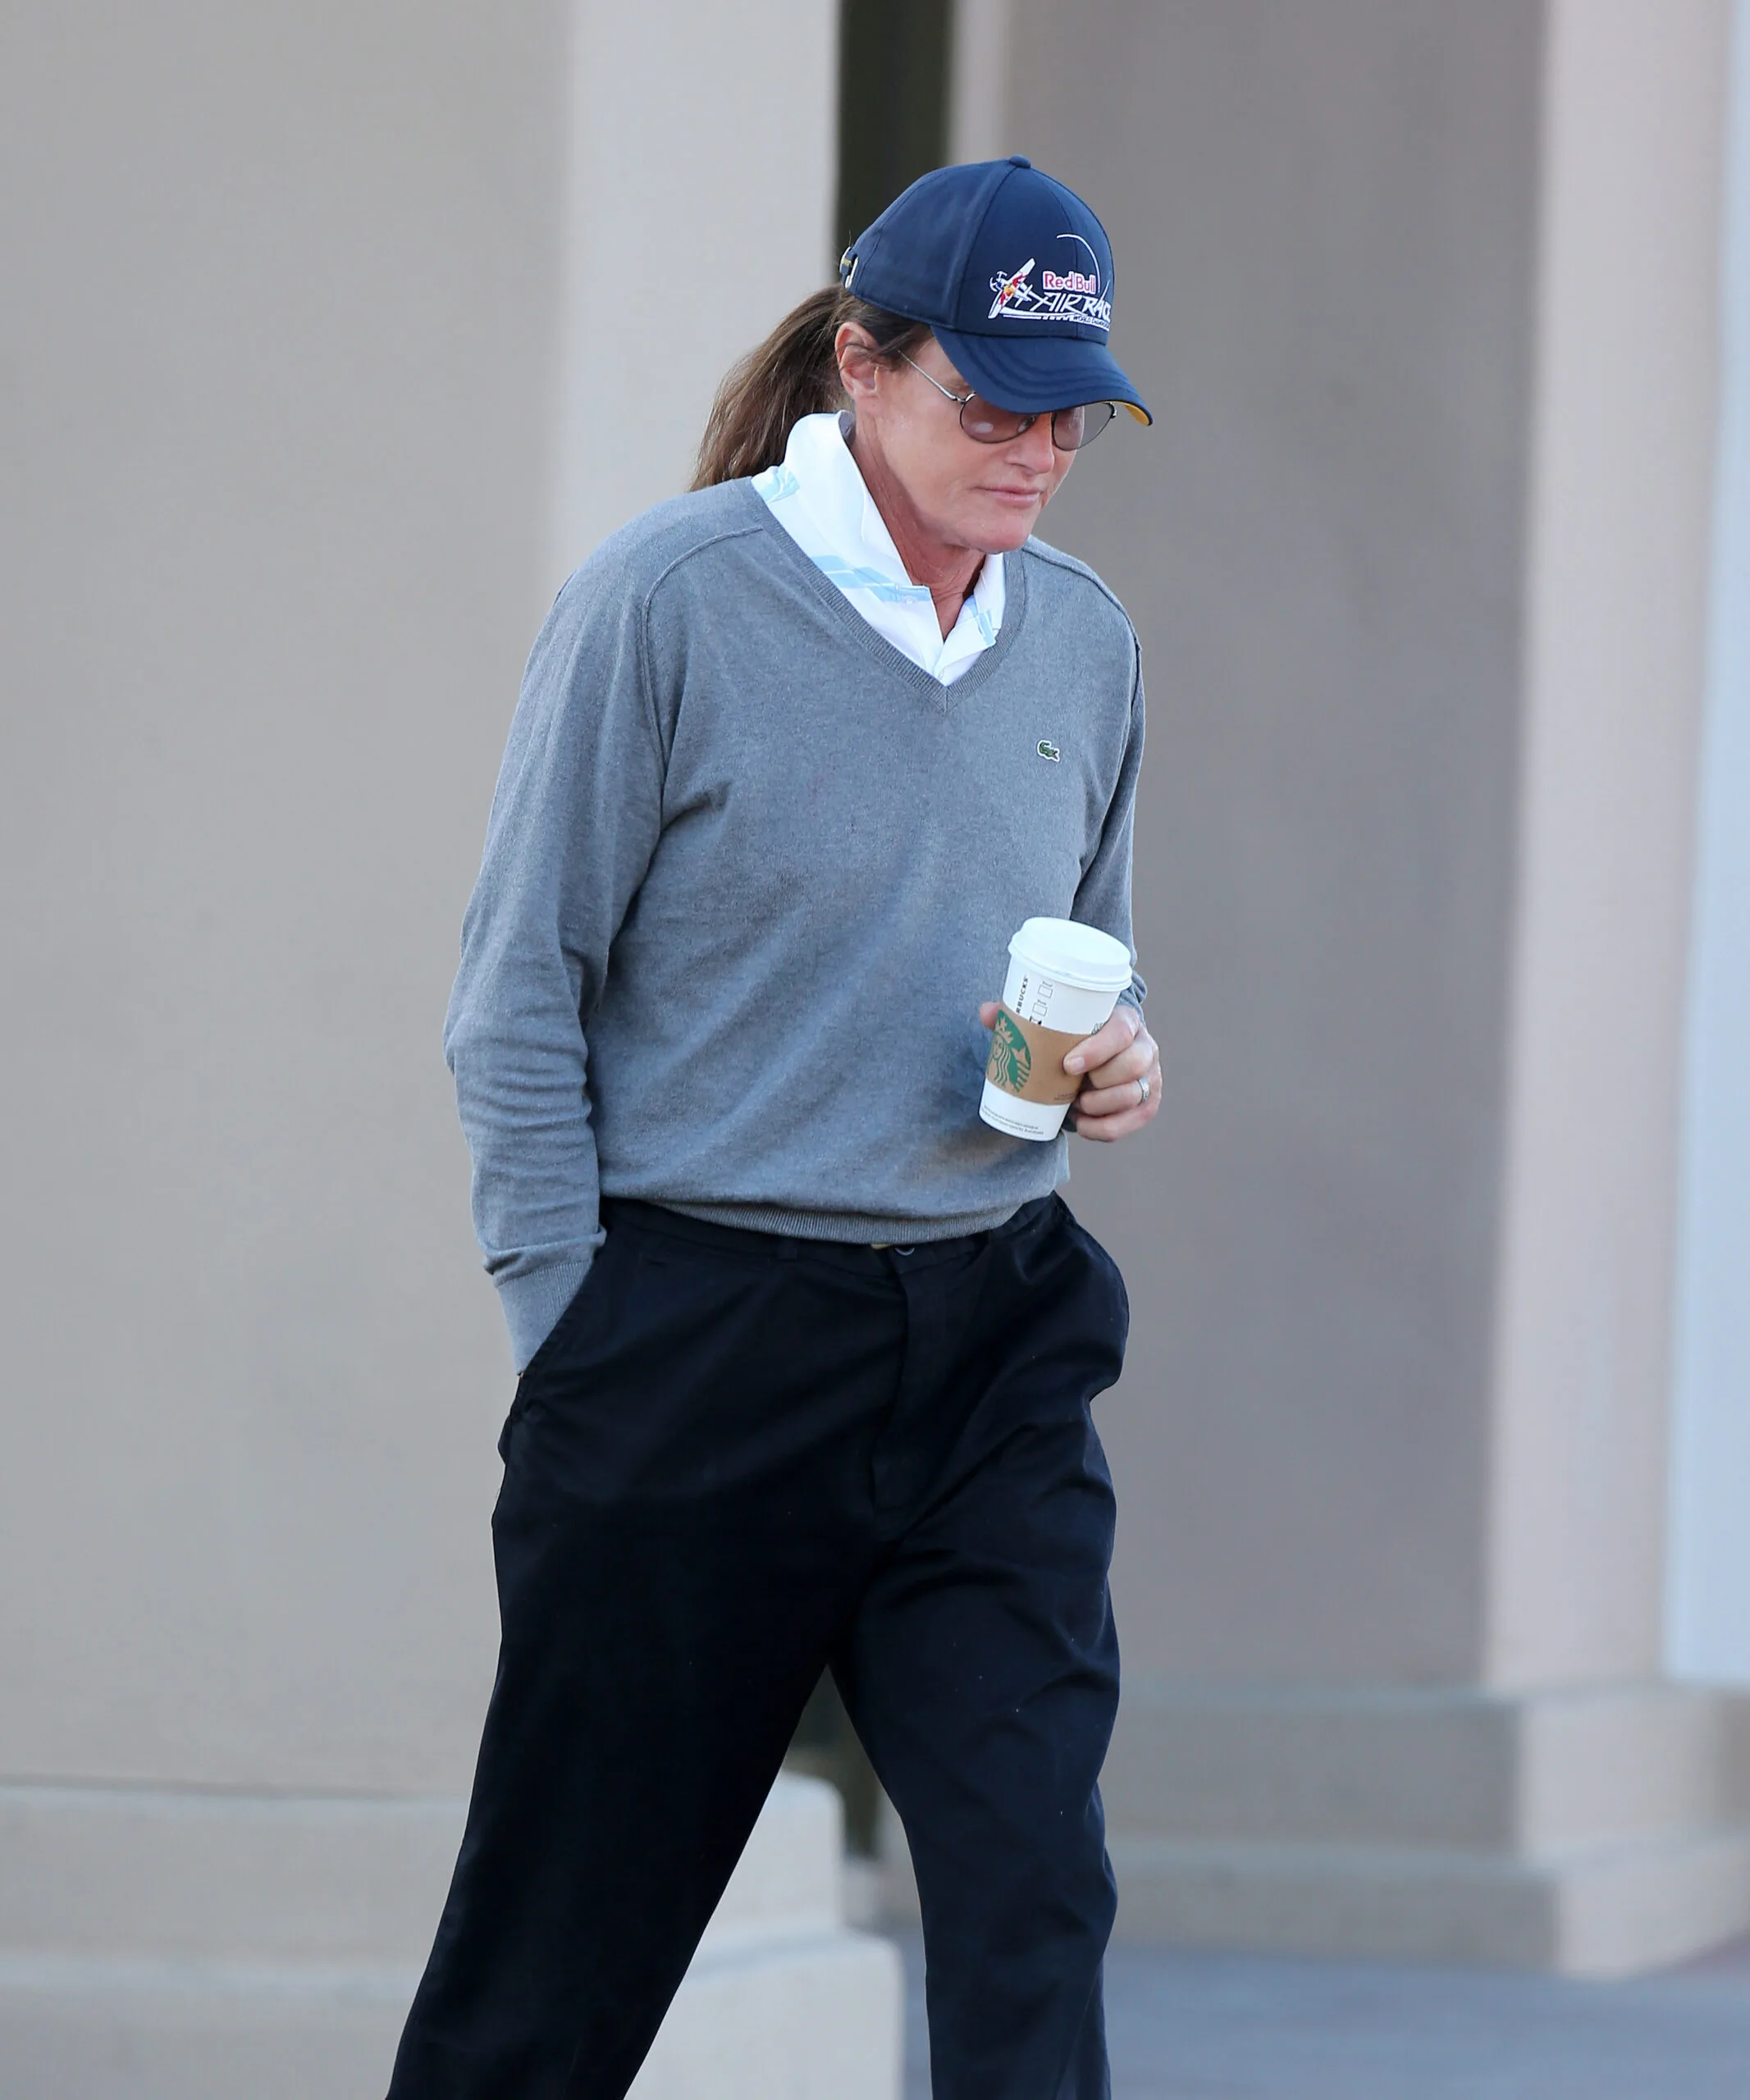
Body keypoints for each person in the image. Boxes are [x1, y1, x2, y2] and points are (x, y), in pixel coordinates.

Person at [387, 155, 1161, 2100]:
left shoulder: (1083, 641)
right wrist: (582, 1340)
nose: (1037, 450)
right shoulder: (668, 603)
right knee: (555, 1971)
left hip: (990, 1335)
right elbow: (514, 1000)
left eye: (1066, 410)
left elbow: (1085, 962)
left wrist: (1117, 1061)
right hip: (699, 1349)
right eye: (991, 401)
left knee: (1028, 1893)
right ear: (860, 365)